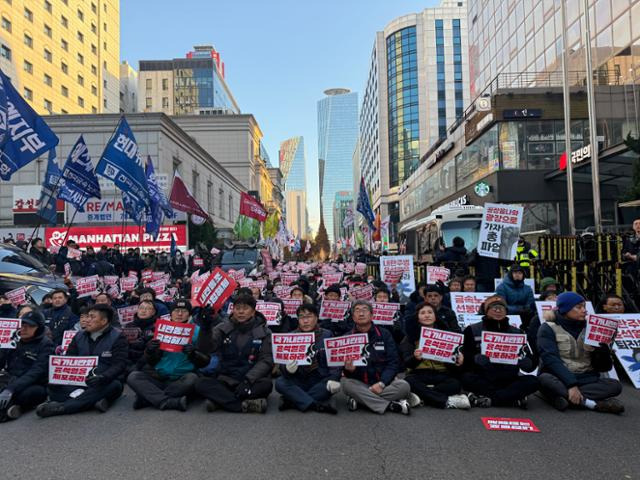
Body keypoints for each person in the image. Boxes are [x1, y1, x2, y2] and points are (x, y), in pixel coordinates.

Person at [537, 292, 624, 413]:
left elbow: (604, 367)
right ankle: (591, 403)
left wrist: (603, 351)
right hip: (559, 377)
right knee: (544, 379)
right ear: (565, 309)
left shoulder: (593, 328)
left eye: (584, 307)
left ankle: (561, 398)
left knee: (615, 386)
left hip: (586, 377)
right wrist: (571, 385)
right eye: (579, 307)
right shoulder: (548, 328)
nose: (584, 310)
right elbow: (551, 359)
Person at [37, 304, 129, 418]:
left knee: (113, 386)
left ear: (104, 320)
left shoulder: (118, 337)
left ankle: (64, 407)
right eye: (86, 316)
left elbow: (120, 364)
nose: (87, 320)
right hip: (78, 381)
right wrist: (58, 377)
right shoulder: (78, 336)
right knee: (54, 388)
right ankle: (92, 402)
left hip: (102, 381)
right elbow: (69, 359)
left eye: (92, 317)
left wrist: (104, 377)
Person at [195, 295, 273, 413]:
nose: (241, 312)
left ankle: (220, 401)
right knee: (200, 383)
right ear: (233, 310)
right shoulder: (223, 328)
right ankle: (243, 405)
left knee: (267, 385)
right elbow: (206, 348)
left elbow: (266, 360)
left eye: (245, 308)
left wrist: (248, 380)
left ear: (253, 312)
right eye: (237, 308)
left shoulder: (264, 332)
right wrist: (205, 328)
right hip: (226, 378)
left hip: (250, 380)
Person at [127, 299, 207, 411]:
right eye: (176, 310)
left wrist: (194, 353)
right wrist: (150, 351)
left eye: (183, 311)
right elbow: (150, 361)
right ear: (171, 313)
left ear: (189, 314)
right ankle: (168, 401)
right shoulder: (159, 329)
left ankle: (149, 398)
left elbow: (205, 360)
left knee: (192, 379)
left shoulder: (198, 331)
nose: (179, 314)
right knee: (133, 376)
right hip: (158, 377)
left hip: (182, 378)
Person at [461, 295, 539, 408]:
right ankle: (511, 399)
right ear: (486, 311)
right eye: (493, 308)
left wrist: (528, 362)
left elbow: (532, 359)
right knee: (465, 378)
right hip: (484, 377)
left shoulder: (518, 332)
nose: (498, 310)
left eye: (501, 308)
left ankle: (491, 400)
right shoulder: (472, 330)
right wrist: (474, 358)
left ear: (506, 311)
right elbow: (464, 357)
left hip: (510, 378)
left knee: (533, 381)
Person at [340, 300, 411, 415]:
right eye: (357, 311)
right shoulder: (347, 338)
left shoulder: (385, 334)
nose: (361, 314)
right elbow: (346, 373)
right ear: (353, 317)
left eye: (364, 310)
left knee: (404, 386)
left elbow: (393, 362)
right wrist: (349, 370)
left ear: (372, 315)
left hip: (384, 383)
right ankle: (391, 405)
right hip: (360, 383)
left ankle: (361, 400)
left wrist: (382, 383)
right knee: (347, 385)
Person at [400, 303, 470, 409]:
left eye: (430, 312)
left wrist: (458, 361)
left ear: (435, 316)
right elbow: (406, 362)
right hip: (419, 374)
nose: (427, 315)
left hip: (442, 374)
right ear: (418, 318)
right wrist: (415, 358)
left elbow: (456, 367)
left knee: (455, 384)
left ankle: (423, 396)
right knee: (409, 382)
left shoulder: (448, 336)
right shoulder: (410, 337)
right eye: (422, 313)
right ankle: (448, 400)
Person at [275, 304, 340, 414]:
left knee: (327, 388)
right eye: (301, 317)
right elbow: (282, 365)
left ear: (316, 318)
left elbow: (335, 361)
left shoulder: (327, 335)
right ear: (298, 320)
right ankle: (316, 405)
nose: (305, 321)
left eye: (309, 316)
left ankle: (293, 400)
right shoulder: (290, 336)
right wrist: (287, 368)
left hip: (319, 379)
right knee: (280, 383)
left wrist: (334, 378)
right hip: (298, 379)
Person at [0, 311, 54, 421]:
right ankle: (8, 409)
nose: (24, 329)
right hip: (10, 378)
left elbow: (36, 371)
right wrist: (3, 346)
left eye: (30, 326)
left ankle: (10, 409)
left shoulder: (46, 344)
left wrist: (11, 388)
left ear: (39, 328)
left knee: (29, 394)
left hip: (33, 383)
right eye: (23, 325)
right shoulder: (14, 340)